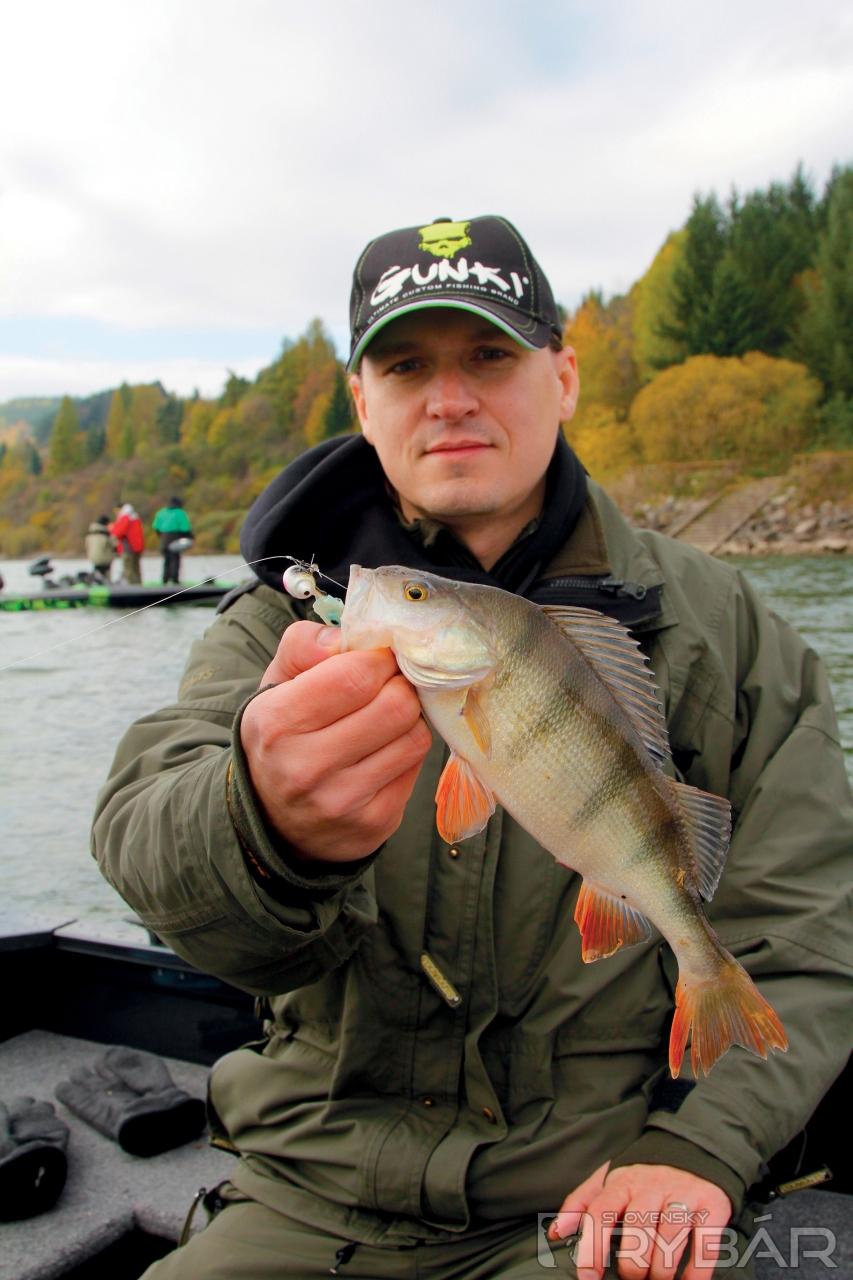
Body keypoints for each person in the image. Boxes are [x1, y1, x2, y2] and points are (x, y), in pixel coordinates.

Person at [92, 216, 852, 1280]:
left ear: (563, 378)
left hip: (588, 1197)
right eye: (405, 366)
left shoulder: (722, 626)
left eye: (489, 355)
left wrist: (698, 1146)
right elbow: (144, 841)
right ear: (363, 404)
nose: (449, 398)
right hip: (306, 1190)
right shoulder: (283, 623)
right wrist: (259, 825)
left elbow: (812, 921)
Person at [152, 496, 193, 584]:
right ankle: (175, 580)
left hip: (163, 538)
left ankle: (165, 580)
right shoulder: (180, 513)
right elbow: (185, 528)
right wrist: (190, 538)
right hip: (175, 537)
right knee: (175, 559)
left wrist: (161, 537)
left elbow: (156, 527)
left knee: (166, 559)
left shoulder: (161, 512)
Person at [109, 503, 144, 585]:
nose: (116, 513)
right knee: (136, 569)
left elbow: (118, 532)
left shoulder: (125, 517)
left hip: (128, 548)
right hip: (137, 547)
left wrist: (111, 528)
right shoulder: (134, 517)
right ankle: (139, 587)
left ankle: (133, 588)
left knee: (129, 570)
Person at [83, 514, 115, 583]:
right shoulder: (107, 534)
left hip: (93, 558)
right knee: (105, 574)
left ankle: (96, 580)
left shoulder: (91, 533)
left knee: (98, 572)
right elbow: (114, 544)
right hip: (105, 560)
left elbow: (86, 546)